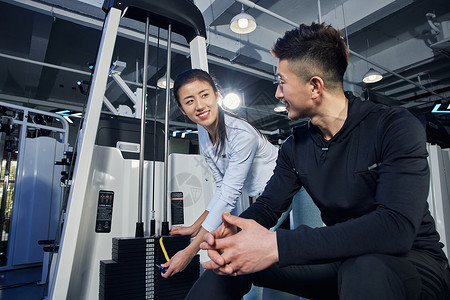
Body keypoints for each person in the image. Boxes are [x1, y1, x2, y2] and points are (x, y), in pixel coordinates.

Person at [186, 23, 450, 300]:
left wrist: (277, 244)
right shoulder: (295, 146)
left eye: (282, 82)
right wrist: (234, 231)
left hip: (411, 263)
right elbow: (268, 206)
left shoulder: (394, 126)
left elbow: (394, 228)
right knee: (231, 264)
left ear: (314, 87)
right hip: (342, 259)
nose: (277, 93)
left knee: (365, 268)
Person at [160, 69, 279, 284]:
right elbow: (223, 186)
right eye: (189, 101)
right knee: (258, 270)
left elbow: (229, 194)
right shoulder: (204, 133)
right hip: (261, 199)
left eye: (204, 95)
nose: (199, 106)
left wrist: (189, 253)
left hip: (287, 191)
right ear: (182, 110)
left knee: (284, 267)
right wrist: (195, 227)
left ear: (217, 95)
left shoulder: (241, 134)